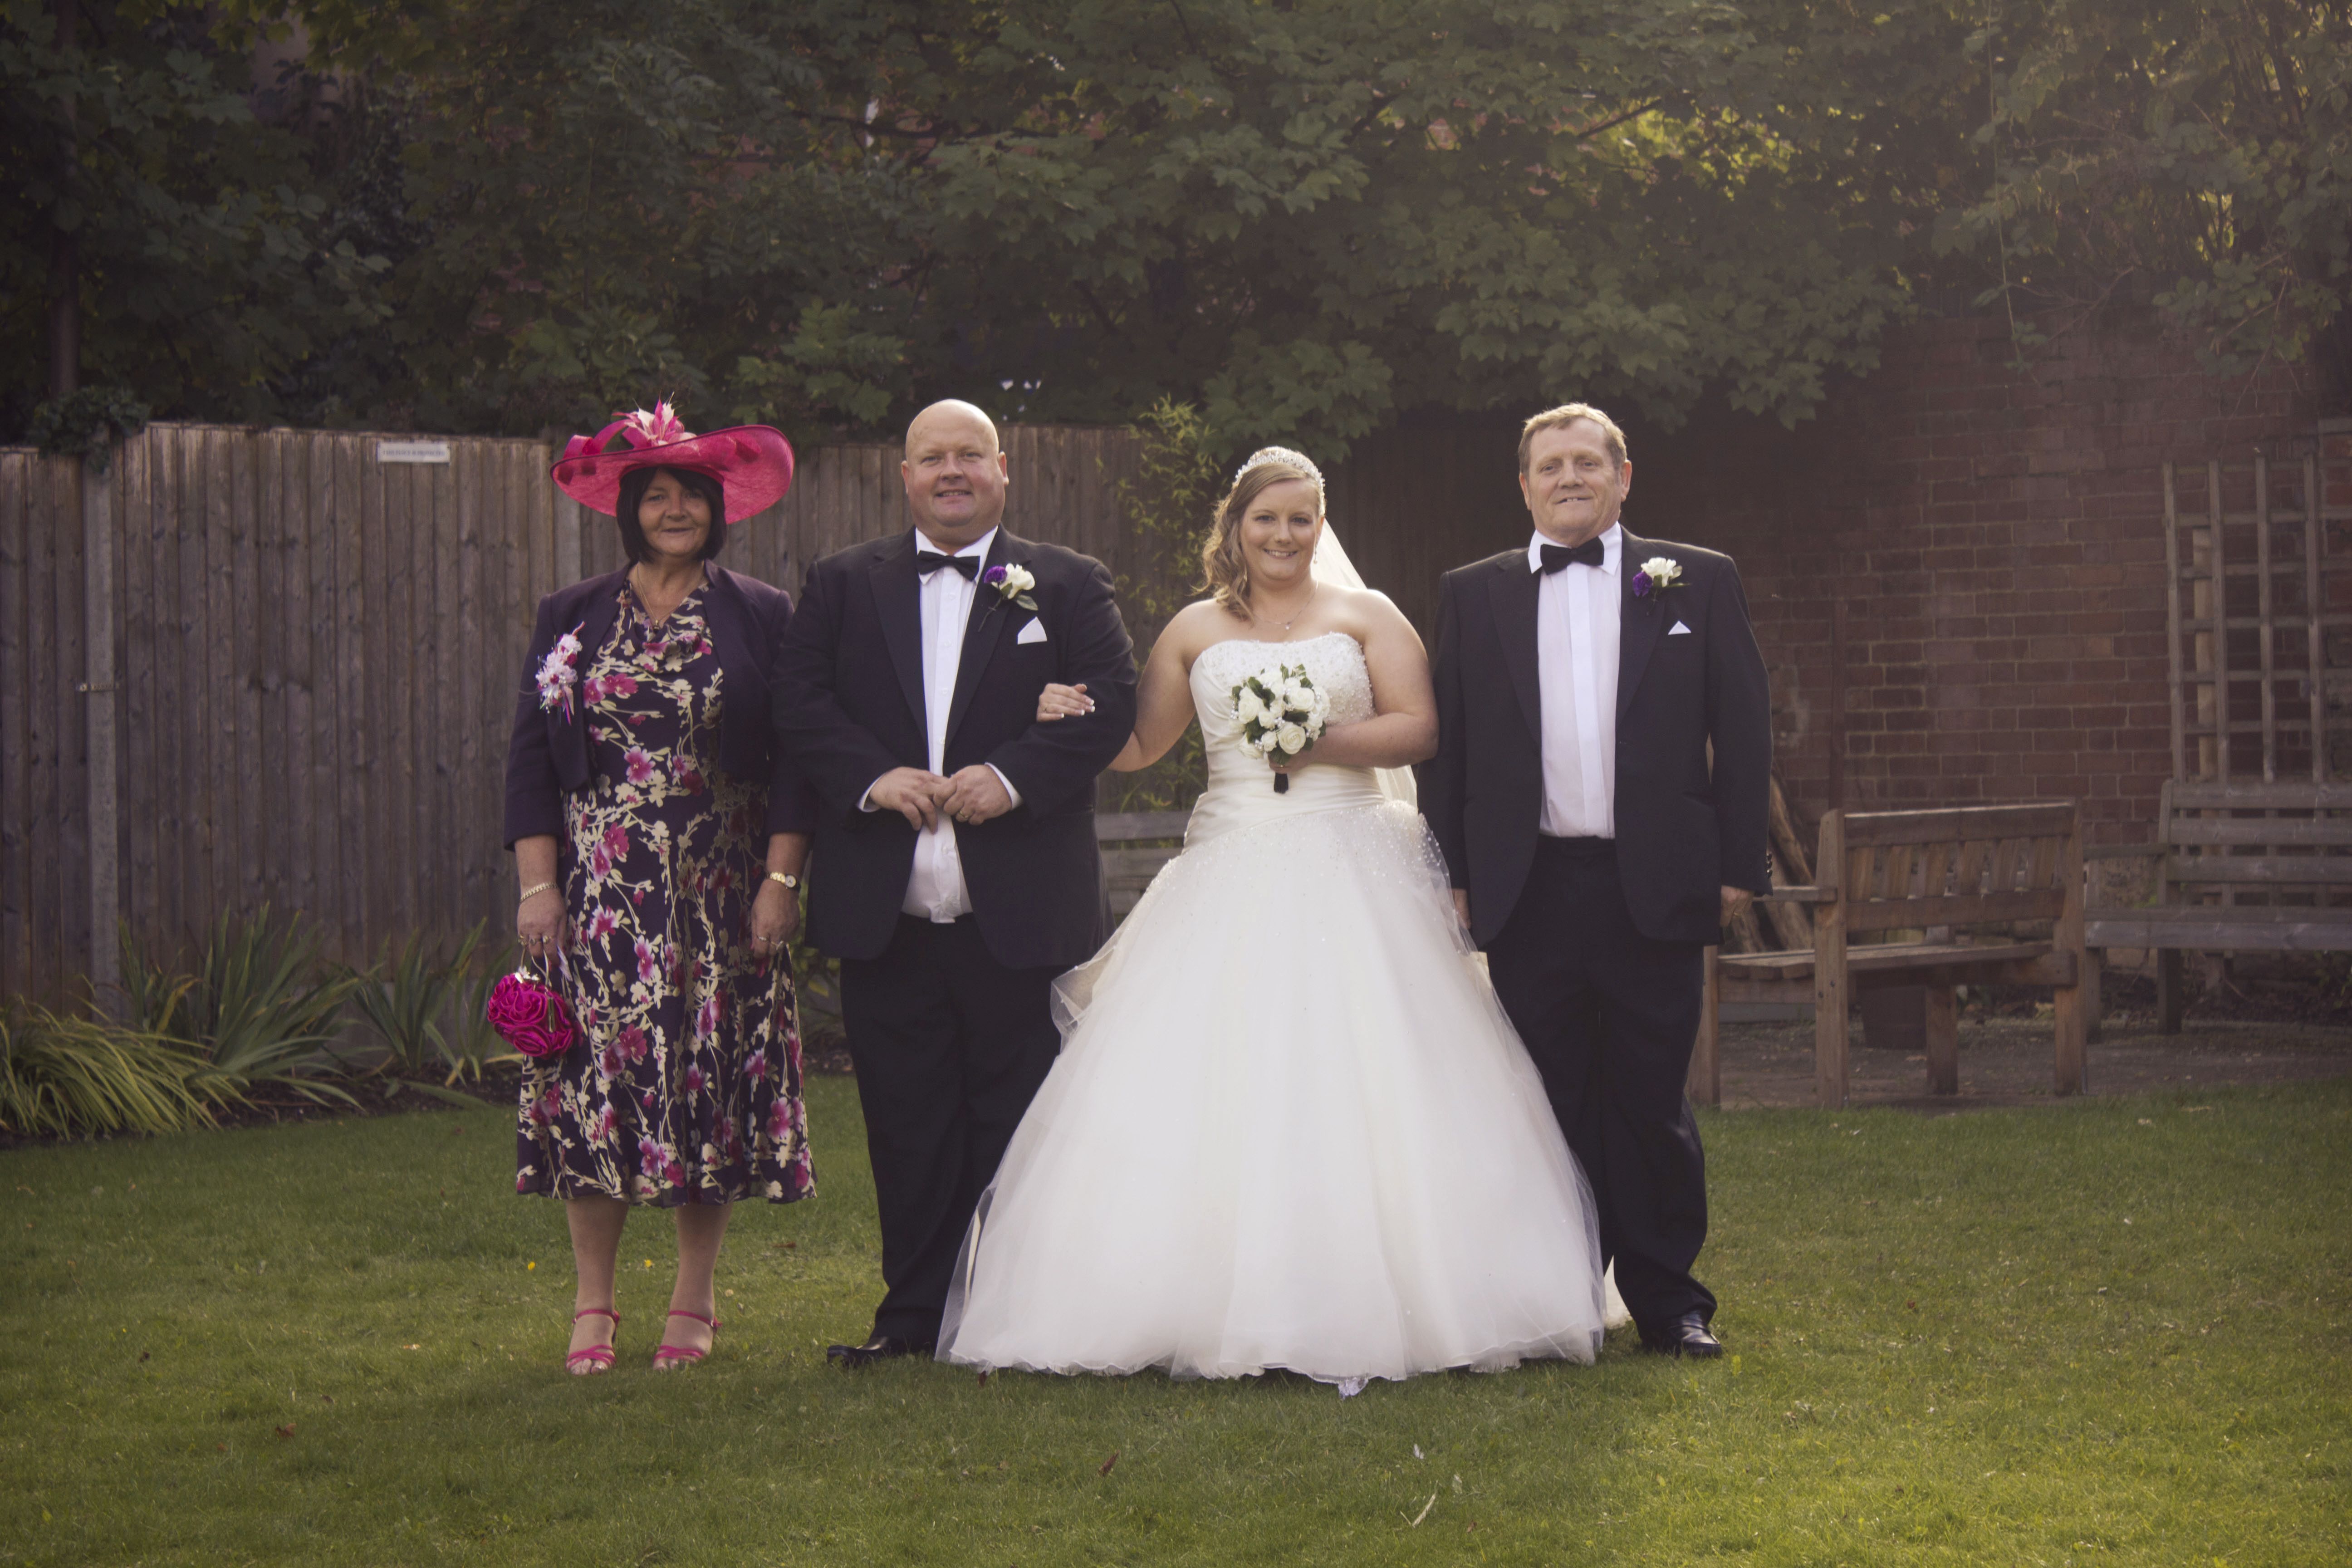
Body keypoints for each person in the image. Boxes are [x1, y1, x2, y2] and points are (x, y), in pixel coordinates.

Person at [935, 447, 1610, 1387]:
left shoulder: (1366, 615)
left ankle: (1417, 1295)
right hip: (1234, 862)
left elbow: (1421, 727)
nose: (1284, 535)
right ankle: (1185, 1297)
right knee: (1219, 1076)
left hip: (1355, 861)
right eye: (1266, 519)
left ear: (1320, 524)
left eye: (1300, 519)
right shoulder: (1193, 628)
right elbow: (1139, 745)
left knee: (1374, 1071)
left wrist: (1320, 740)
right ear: (1237, 526)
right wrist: (1064, 706)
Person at [769, 399, 1138, 1367]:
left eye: (970, 455)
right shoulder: (843, 585)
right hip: (885, 909)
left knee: (1024, 1122)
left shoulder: (1066, 583)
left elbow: (1111, 706)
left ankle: (1020, 1318)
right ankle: (912, 1320)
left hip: (1022, 910)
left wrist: (1010, 776)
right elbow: (797, 703)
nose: (951, 472)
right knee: (907, 1122)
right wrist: (871, 777)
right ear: (905, 476)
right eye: (932, 457)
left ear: (1002, 468)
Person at [1422, 404, 1772, 1359]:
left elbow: (1744, 730)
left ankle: (1670, 1302)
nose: (1569, 478)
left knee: (1651, 1099)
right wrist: (1455, 874)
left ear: (1624, 476)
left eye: (1587, 462)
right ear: (1524, 485)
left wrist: (1738, 864)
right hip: (1529, 885)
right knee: (1547, 1101)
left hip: (1655, 880)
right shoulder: (1473, 593)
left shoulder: (1698, 578)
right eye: (1550, 465)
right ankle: (1561, 1296)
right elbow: (1447, 750)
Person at [505, 402, 818, 1375]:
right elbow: (529, 762)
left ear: (716, 510)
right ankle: (592, 1306)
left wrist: (780, 881)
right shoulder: (571, 614)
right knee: (590, 1091)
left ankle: (694, 1298)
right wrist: (538, 888)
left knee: (705, 1086)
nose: (674, 510)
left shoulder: (762, 613)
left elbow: (799, 763)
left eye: (691, 496)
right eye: (656, 496)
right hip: (599, 898)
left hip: (719, 892)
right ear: (630, 509)